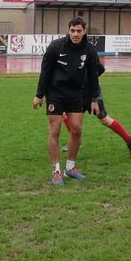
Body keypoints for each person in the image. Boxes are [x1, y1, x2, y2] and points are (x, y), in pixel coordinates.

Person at [32, 17, 101, 185]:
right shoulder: (56, 47)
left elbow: (93, 76)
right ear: (68, 30)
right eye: (72, 31)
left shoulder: (90, 50)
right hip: (55, 93)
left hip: (76, 94)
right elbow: (45, 72)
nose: (75, 34)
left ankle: (70, 168)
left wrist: (94, 99)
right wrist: (39, 95)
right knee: (55, 130)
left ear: (84, 31)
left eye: (79, 31)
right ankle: (56, 171)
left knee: (76, 129)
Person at [61, 51, 131, 167]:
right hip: (77, 95)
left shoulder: (89, 51)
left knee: (104, 119)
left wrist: (90, 81)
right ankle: (76, 142)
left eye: (78, 31)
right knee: (69, 118)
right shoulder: (69, 52)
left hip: (93, 94)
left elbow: (101, 69)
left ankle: (129, 140)